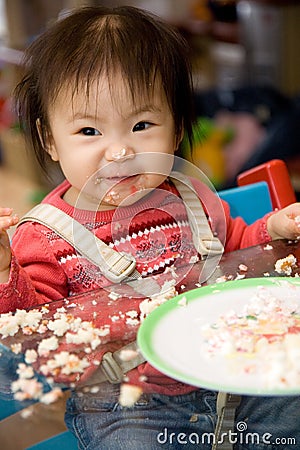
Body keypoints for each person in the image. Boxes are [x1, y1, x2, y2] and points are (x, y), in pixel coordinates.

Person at [0, 6, 299, 450]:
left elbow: (232, 251)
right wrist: (5, 271)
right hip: (128, 398)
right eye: (88, 130)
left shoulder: (191, 197)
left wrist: (272, 231)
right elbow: (29, 328)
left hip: (225, 365)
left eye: (142, 125)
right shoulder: (45, 236)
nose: (120, 152)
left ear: (177, 127)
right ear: (49, 140)